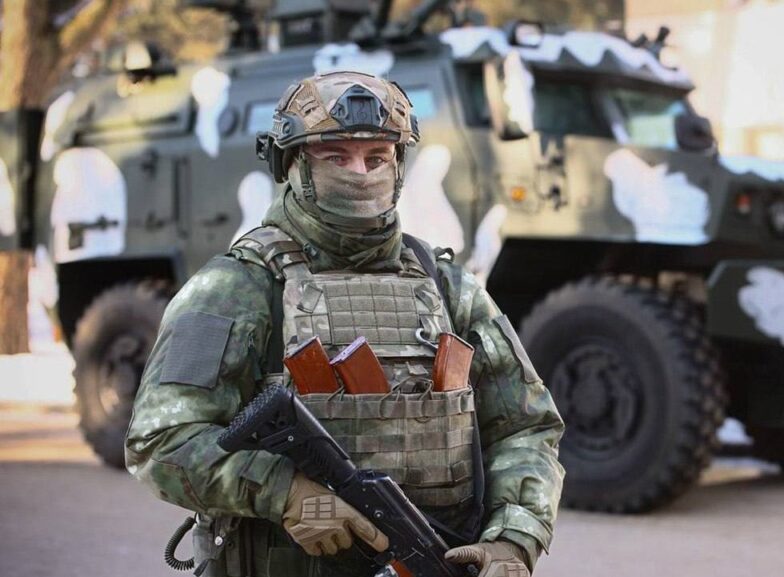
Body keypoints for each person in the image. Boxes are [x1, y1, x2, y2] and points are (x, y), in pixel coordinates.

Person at [126, 71, 564, 577]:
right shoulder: (237, 287)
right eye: (336, 156)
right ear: (292, 164)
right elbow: (162, 441)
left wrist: (513, 539)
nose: (361, 173)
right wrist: (285, 493)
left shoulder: (448, 286)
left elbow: (526, 426)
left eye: (377, 157)